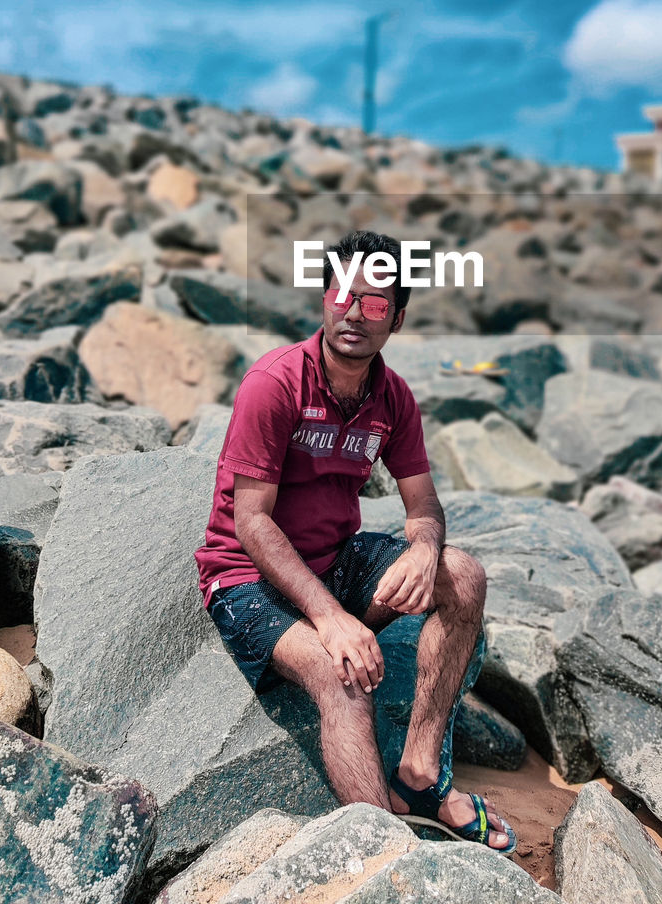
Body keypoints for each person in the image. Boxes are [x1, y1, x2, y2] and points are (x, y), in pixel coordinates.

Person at [195, 229, 517, 853]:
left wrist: (424, 551)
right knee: (341, 675)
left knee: (465, 575)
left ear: (395, 320)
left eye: (374, 304)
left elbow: (422, 504)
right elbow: (251, 523)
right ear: (324, 298)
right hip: (244, 577)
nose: (353, 312)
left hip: (335, 560)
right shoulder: (275, 383)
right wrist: (332, 620)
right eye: (343, 294)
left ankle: (421, 775)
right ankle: (388, 855)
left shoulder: (392, 398)